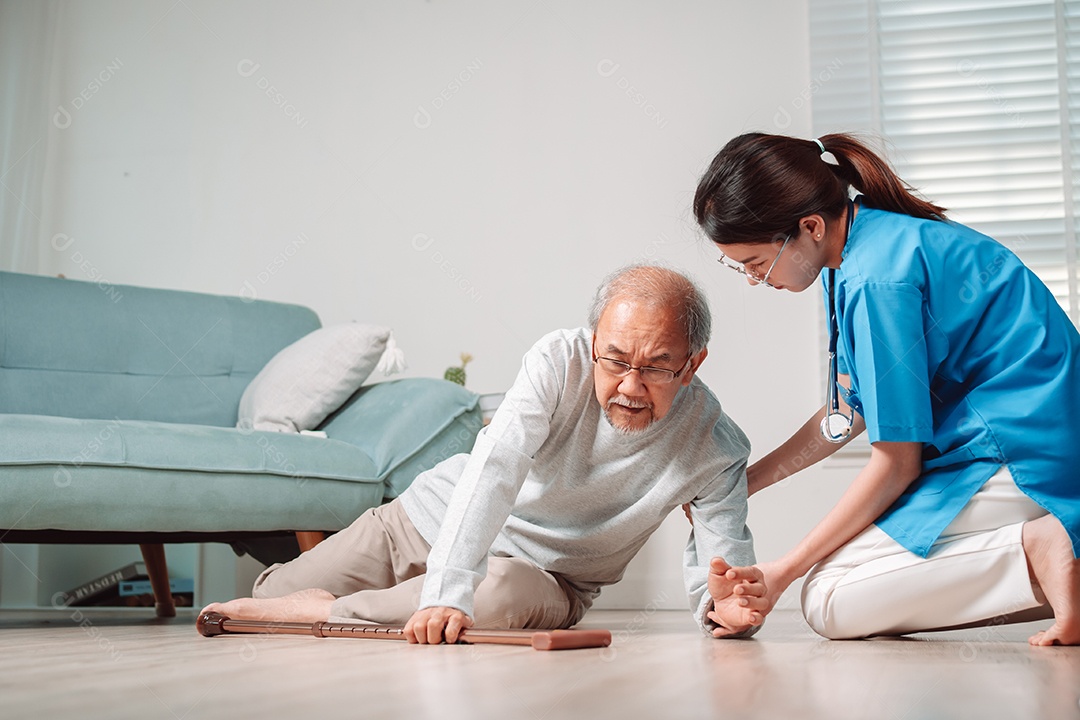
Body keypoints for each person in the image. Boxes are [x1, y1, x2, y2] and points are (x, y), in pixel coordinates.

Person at [202, 265, 766, 643]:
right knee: (267, 596)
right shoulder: (557, 361)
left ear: (693, 363)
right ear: (593, 342)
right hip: (426, 520)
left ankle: (325, 614)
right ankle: (320, 602)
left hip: (543, 575)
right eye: (615, 360)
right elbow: (497, 466)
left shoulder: (714, 447)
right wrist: (447, 588)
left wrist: (728, 612)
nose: (630, 386)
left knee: (489, 599)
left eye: (657, 367)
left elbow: (725, 574)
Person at [692, 131, 1080, 646]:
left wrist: (781, 573)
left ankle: (1047, 545)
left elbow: (897, 463)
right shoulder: (855, 252)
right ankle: (1047, 556)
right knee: (835, 584)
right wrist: (747, 482)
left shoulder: (877, 281)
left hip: (1027, 454)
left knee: (828, 597)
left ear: (808, 227)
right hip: (1005, 443)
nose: (753, 281)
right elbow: (848, 411)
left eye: (754, 263)